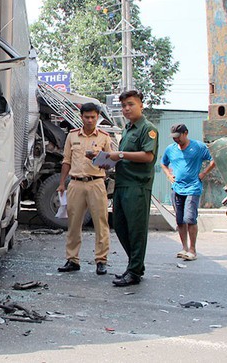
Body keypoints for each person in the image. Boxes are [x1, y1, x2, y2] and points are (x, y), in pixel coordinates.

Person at [108, 90, 158, 287]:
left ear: (141, 106)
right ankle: (135, 265)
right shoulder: (128, 129)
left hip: (137, 186)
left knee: (136, 230)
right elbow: (123, 156)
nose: (126, 109)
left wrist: (120, 155)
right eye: (123, 106)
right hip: (122, 183)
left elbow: (148, 156)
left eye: (130, 104)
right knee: (120, 227)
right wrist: (108, 161)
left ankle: (135, 270)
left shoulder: (148, 128)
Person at [56, 102, 112, 275]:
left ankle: (101, 261)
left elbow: (109, 164)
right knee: (73, 223)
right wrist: (61, 183)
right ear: (81, 117)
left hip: (96, 183)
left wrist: (99, 157)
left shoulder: (104, 137)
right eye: (86, 117)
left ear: (97, 117)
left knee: (101, 223)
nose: (89, 120)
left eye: (93, 117)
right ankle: (72, 260)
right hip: (76, 183)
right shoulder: (72, 136)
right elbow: (66, 160)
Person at [161, 123, 216, 261]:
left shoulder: (198, 147)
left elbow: (213, 159)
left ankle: (193, 250)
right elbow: (163, 163)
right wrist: (168, 175)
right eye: (174, 137)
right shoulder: (171, 149)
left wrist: (204, 173)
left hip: (193, 188)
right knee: (180, 220)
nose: (176, 140)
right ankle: (184, 248)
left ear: (186, 133)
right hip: (177, 188)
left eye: (178, 136)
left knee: (190, 219)